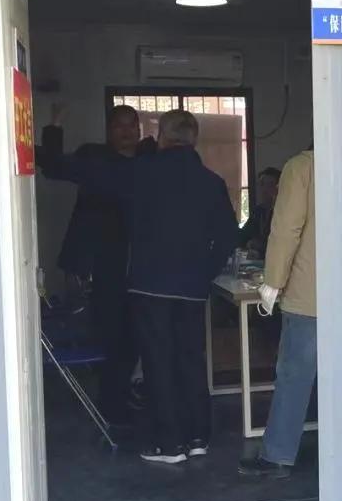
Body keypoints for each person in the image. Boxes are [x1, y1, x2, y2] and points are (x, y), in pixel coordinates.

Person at [46, 110, 238, 464]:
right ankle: (198, 436)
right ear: (194, 139)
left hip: (150, 286)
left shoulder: (140, 172)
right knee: (191, 360)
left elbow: (77, 171)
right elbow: (228, 236)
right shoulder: (211, 182)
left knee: (158, 362)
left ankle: (170, 444)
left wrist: (48, 144)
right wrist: (204, 272)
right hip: (193, 288)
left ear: (162, 136)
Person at [41, 104, 148, 426]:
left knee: (137, 339)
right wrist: (54, 125)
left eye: (132, 125)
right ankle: (112, 410)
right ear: (109, 131)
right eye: (119, 125)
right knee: (111, 339)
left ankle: (128, 398)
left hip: (141, 267)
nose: (127, 131)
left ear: (140, 129)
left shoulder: (150, 162)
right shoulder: (95, 159)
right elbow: (53, 166)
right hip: (100, 267)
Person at [239, 148, 315, 478]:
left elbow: (286, 230)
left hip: (311, 290)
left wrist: (272, 282)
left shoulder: (302, 167)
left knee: (294, 375)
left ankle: (278, 454)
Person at [238, 167, 281, 256]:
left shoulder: (283, 212)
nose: (264, 190)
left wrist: (259, 246)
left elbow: (279, 243)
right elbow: (243, 236)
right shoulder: (257, 211)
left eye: (269, 185)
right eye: (261, 185)